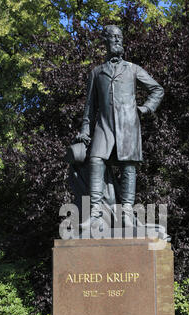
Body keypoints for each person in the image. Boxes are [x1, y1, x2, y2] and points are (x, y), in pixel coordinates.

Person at [76, 24, 164, 227]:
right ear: (105, 41)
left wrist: (145, 109)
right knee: (96, 160)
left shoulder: (132, 69)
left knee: (128, 167)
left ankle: (126, 213)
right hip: (104, 126)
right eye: (113, 37)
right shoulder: (96, 73)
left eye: (120, 38)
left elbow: (157, 89)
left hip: (128, 126)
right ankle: (96, 213)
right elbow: (89, 107)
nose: (117, 41)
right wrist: (84, 130)